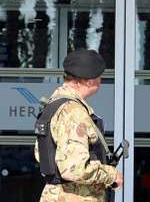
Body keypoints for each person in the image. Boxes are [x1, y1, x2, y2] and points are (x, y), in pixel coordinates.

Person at [34, 49, 124, 202]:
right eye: (99, 77)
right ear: (89, 81)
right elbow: (74, 168)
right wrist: (111, 174)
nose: (101, 81)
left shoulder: (54, 104)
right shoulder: (74, 112)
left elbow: (41, 154)